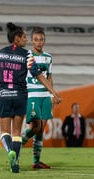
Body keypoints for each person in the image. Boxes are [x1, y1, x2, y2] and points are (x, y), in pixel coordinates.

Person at [0, 22, 61, 173]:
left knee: (5, 132)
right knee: (18, 132)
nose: (26, 40)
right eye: (24, 37)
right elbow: (39, 75)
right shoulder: (27, 55)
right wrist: (53, 91)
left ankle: (10, 153)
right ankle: (15, 163)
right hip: (22, 95)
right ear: (17, 38)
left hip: (4, 95)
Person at [21, 27, 56, 169]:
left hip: (45, 96)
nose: (39, 42)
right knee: (35, 127)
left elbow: (49, 77)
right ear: (31, 41)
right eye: (36, 39)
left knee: (41, 130)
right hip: (32, 95)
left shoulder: (48, 57)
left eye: (41, 39)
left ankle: (36, 161)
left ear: (44, 40)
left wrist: (52, 94)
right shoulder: (27, 56)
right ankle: (16, 145)